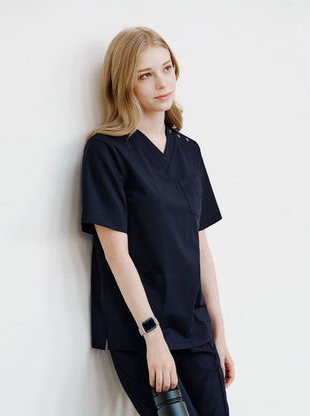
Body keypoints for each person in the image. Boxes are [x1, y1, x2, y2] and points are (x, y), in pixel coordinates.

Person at [80, 26, 234, 415]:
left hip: (195, 331)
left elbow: (199, 244)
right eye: (145, 74)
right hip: (143, 334)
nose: (162, 82)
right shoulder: (106, 150)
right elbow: (116, 254)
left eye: (166, 68)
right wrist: (153, 337)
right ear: (123, 83)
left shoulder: (188, 150)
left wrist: (219, 334)